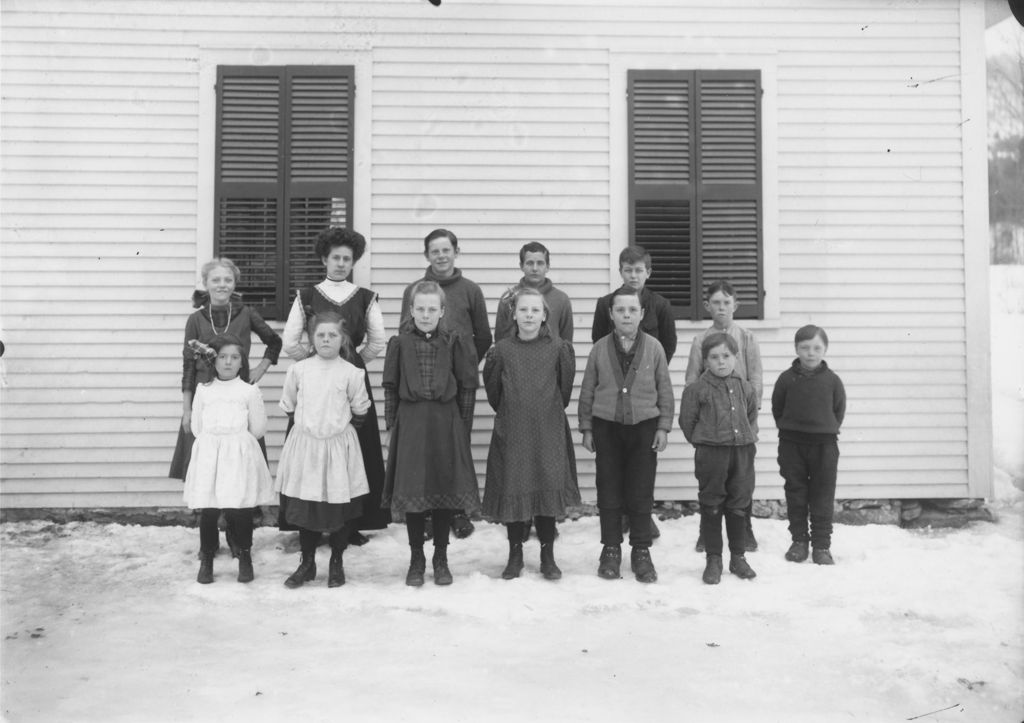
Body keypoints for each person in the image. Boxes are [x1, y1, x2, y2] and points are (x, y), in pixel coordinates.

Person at [282, 227, 390, 543]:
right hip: (315, 383)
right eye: (335, 258)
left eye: (347, 258)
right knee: (312, 449)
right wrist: (313, 362)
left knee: (353, 450)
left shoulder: (365, 297)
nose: (341, 263)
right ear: (324, 259)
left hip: (350, 380)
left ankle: (351, 523)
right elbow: (290, 340)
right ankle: (309, 523)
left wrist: (353, 363)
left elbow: (377, 340)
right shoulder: (306, 295)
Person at [169, 257, 281, 556]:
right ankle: (209, 538)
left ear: (235, 284)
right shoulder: (196, 319)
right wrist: (187, 407)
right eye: (215, 280)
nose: (222, 285)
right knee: (210, 470)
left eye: (227, 280)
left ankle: (236, 535)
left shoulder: (246, 313)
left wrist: (259, 370)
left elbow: (274, 341)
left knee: (237, 472)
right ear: (205, 284)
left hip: (236, 402)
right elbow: (188, 365)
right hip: (207, 402)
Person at [382, 281, 481, 586]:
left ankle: (440, 556)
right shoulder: (399, 343)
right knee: (414, 493)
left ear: (442, 311)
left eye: (432, 309)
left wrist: (462, 430)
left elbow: (466, 387)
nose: (426, 315)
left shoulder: (455, 342)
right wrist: (392, 426)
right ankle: (416, 558)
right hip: (411, 423)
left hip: (445, 422)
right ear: (411, 310)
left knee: (443, 492)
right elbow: (390, 390)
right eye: (420, 309)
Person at [483, 287, 580, 581]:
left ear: (544, 315)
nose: (528, 315)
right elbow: (493, 391)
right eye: (523, 310)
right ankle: (515, 554)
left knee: (547, 485)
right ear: (513, 313)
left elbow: (564, 390)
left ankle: (548, 555)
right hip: (513, 429)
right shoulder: (501, 350)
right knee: (515, 485)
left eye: (535, 310)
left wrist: (544, 407)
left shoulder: (558, 348)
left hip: (548, 428)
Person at [400, 228, 491, 539]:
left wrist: (460, 366)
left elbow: (484, 336)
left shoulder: (470, 290)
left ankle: (456, 510)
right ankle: (424, 511)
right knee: (425, 448)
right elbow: (406, 333)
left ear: (456, 252)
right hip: (423, 383)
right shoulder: (415, 290)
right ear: (427, 255)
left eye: (446, 250)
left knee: (456, 446)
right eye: (434, 251)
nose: (441, 255)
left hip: (458, 384)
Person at [579, 286, 674, 583]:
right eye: (620, 310)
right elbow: (587, 390)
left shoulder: (655, 348)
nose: (626, 315)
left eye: (632, 310)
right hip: (606, 427)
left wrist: (663, 426)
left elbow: (666, 391)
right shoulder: (599, 349)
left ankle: (641, 551)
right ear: (610, 314)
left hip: (644, 428)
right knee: (608, 490)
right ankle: (610, 549)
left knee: (641, 490)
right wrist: (586, 427)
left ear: (642, 314)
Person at [275, 312, 370, 589]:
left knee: (339, 505)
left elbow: (360, 409)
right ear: (311, 339)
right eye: (320, 335)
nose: (326, 340)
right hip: (306, 447)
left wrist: (338, 435)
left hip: (339, 448)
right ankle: (307, 563)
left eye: (333, 335)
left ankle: (336, 561)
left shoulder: (351, 373)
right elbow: (290, 405)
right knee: (308, 506)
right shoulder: (299, 370)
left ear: (343, 340)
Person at [591, 246, 677, 540]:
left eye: (639, 270)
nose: (633, 275)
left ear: (648, 273)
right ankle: (620, 519)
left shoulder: (661, 306)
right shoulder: (606, 303)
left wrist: (645, 378)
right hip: (614, 398)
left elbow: (668, 346)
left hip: (643, 394)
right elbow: (600, 347)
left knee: (640, 469)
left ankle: (640, 517)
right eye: (628, 270)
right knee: (613, 470)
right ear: (620, 272)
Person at [183, 334, 275, 584]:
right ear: (213, 360)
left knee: (240, 508)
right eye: (222, 357)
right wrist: (216, 443)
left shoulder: (248, 390)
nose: (228, 362)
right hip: (210, 454)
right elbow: (197, 427)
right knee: (209, 509)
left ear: (242, 361)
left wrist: (235, 442)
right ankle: (208, 558)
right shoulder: (204, 390)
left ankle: (244, 555)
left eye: (234, 357)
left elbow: (258, 429)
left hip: (238, 456)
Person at [684, 279, 764, 553]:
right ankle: (706, 534)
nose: (721, 308)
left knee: (742, 480)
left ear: (735, 305)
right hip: (712, 424)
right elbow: (691, 382)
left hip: (740, 417)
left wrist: (751, 415)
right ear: (707, 306)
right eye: (716, 303)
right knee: (712, 483)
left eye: (726, 303)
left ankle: (746, 530)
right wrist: (699, 434)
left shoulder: (747, 338)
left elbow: (755, 378)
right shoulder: (700, 340)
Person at [678, 333, 759, 585]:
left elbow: (751, 416)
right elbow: (687, 421)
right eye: (714, 357)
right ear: (705, 361)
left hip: (742, 452)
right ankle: (714, 559)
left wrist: (745, 440)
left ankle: (738, 557)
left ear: (735, 358)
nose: (721, 362)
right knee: (712, 504)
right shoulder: (697, 390)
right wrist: (704, 441)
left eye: (726, 356)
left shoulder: (745, 387)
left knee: (738, 504)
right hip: (711, 454)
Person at [772, 325, 846, 565]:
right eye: (805, 348)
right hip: (792, 445)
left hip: (824, 447)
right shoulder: (785, 379)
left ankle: (822, 546)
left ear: (825, 350)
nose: (810, 353)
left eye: (816, 348)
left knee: (822, 496)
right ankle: (799, 541)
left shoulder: (833, 381)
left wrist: (823, 430)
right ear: (796, 349)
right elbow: (778, 409)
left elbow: (838, 411)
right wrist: (790, 429)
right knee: (796, 493)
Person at [493, 242, 574, 343]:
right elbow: (500, 339)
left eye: (540, 263)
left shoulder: (561, 299)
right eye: (530, 263)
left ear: (547, 267)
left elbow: (566, 341)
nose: (535, 268)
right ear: (521, 266)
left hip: (551, 357)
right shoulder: (508, 298)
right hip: (515, 357)